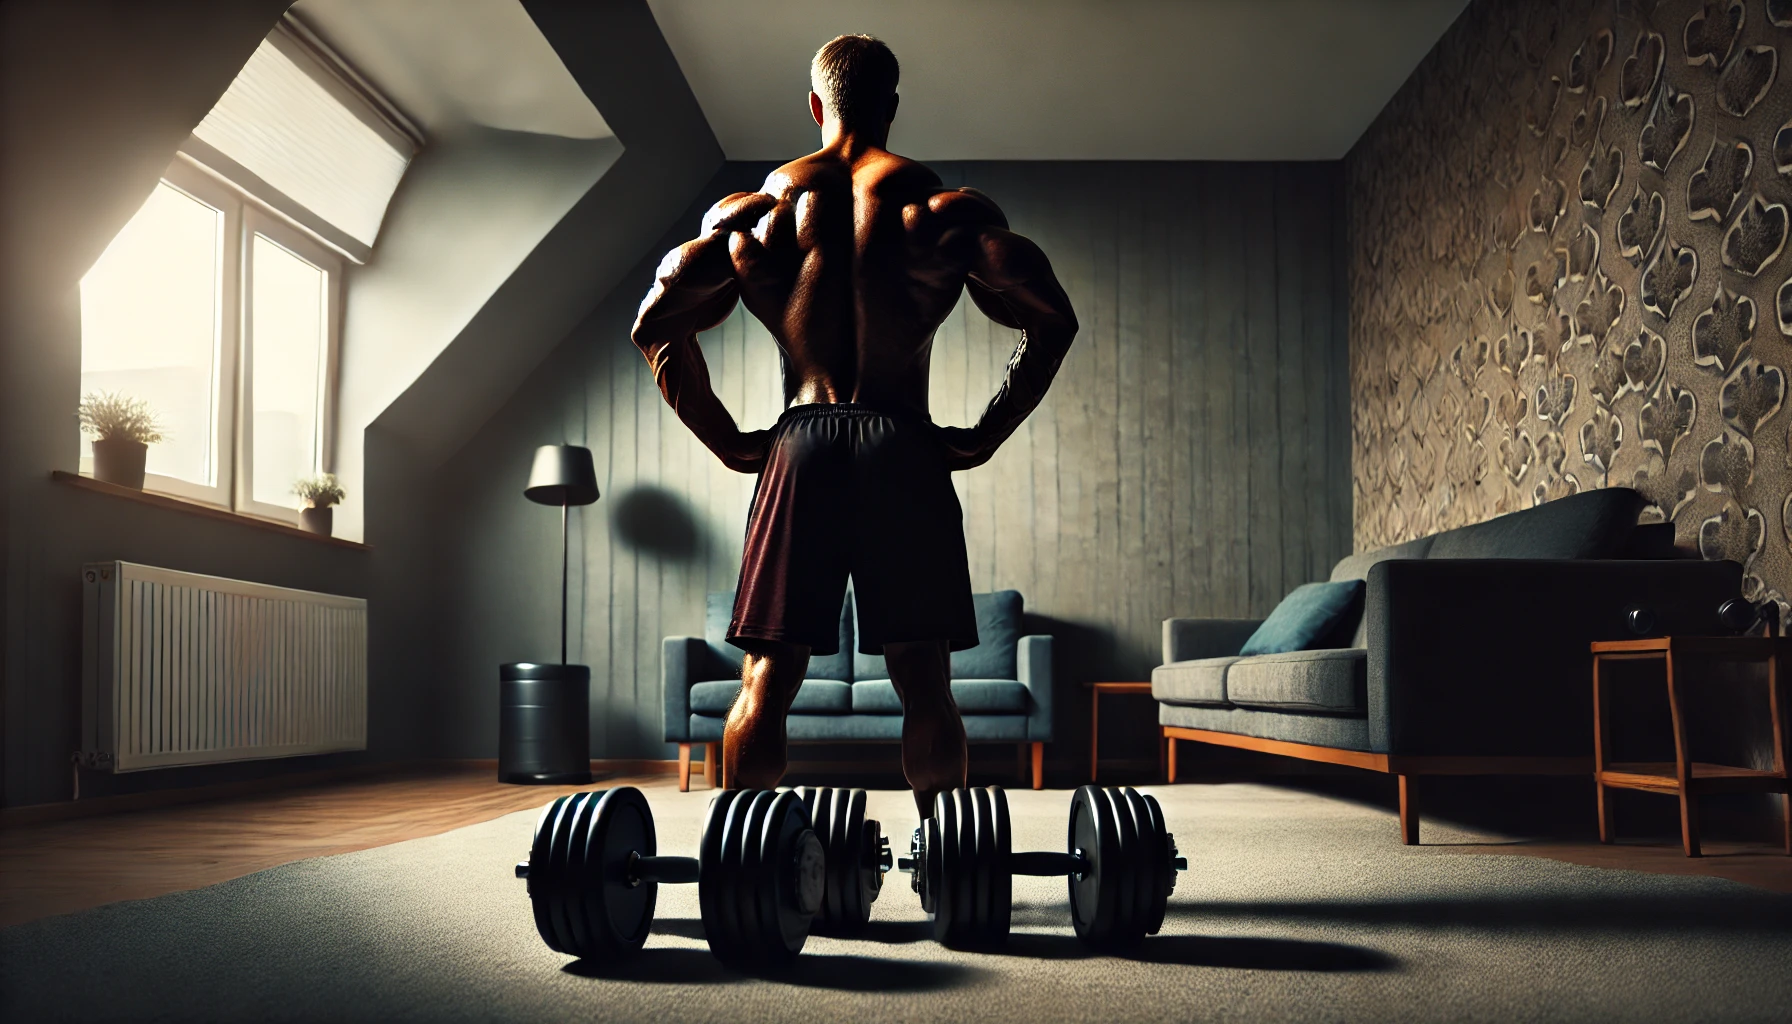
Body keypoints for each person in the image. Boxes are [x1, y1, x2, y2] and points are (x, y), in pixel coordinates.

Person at [631, 34, 1078, 816]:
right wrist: (982, 432)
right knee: (924, 679)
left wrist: (733, 439)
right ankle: (947, 857)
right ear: (892, 109)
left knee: (766, 679)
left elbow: (654, 325)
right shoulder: (943, 214)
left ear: (815, 106)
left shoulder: (755, 215)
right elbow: (1051, 321)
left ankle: (747, 865)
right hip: (903, 446)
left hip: (798, 446)